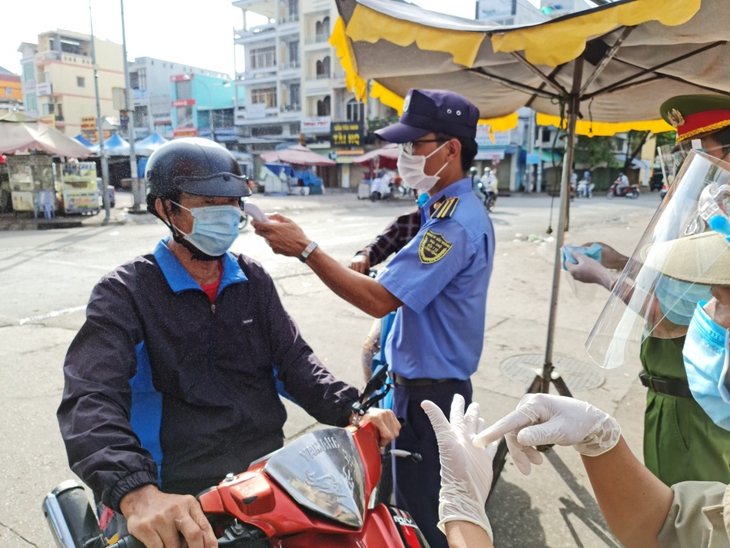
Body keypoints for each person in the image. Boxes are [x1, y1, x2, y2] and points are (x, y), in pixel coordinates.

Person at [56, 138, 400, 548]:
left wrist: (353, 410)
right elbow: (90, 398)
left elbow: (295, 363)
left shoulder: (252, 280)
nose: (226, 213)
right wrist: (138, 493)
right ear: (165, 208)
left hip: (266, 479)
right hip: (176, 494)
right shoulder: (125, 292)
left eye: (232, 201)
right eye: (207, 202)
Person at [253, 88, 495, 548]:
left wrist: (304, 249)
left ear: (450, 149)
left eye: (413, 145)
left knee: (428, 520)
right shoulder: (438, 207)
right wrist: (370, 252)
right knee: (406, 507)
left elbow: (379, 300)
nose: (403, 155)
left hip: (431, 401)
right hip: (418, 389)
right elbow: (406, 232)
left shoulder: (454, 224)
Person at [428, 221, 730, 548]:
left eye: (722, 301)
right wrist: (601, 440)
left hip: (690, 410)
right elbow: (671, 525)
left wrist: (464, 514)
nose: (707, 309)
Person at [563, 94, 730, 487]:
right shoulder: (709, 209)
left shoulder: (721, 221)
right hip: (670, 399)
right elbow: (675, 278)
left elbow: (671, 318)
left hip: (694, 411)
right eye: (685, 154)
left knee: (684, 528)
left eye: (700, 151)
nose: (690, 167)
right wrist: (619, 260)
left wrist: (604, 278)